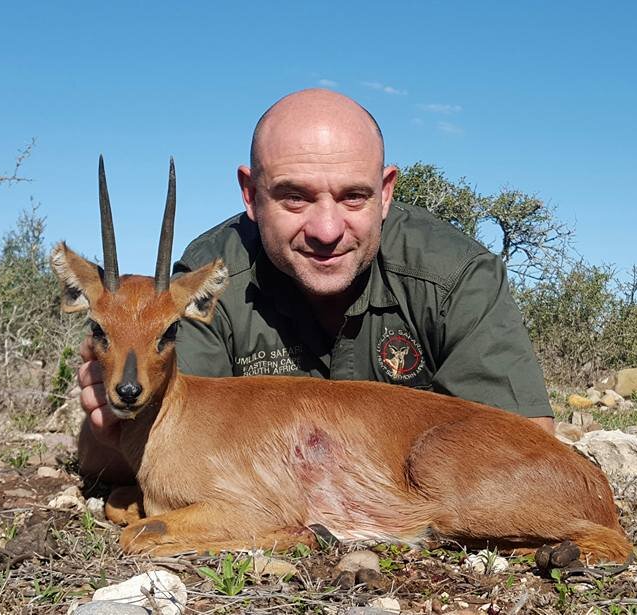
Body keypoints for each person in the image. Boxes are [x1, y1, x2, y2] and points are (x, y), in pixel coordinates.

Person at [76, 89, 554, 482]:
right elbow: (154, 444)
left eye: (353, 196)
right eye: (295, 197)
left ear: (385, 193)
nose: (327, 230)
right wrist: (110, 428)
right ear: (251, 194)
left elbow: (526, 444)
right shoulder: (203, 283)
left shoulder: (455, 274)